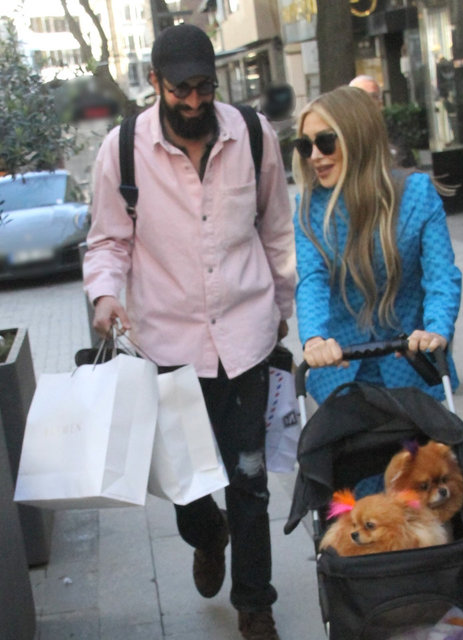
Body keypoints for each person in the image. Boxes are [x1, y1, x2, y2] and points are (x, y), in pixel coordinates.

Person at [83, 23, 295, 640]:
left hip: (247, 339)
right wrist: (105, 294)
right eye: (182, 90)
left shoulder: (252, 134)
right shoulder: (122, 151)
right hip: (169, 350)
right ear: (155, 83)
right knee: (186, 487)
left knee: (249, 479)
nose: (195, 101)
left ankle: (254, 604)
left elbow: (276, 229)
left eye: (205, 87)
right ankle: (207, 535)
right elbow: (108, 240)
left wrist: (282, 307)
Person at [292, 86, 461, 405]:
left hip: (412, 367)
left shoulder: (416, 194)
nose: (314, 156)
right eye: (305, 146)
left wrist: (436, 330)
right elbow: (312, 280)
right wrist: (314, 339)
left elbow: (441, 275)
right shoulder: (310, 207)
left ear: (357, 138)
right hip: (341, 374)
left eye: (325, 142)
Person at [349, 74, 416, 168]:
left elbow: (405, 165)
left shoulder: (393, 135)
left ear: (380, 103)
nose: (367, 101)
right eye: (360, 96)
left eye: (373, 96)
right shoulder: (341, 135)